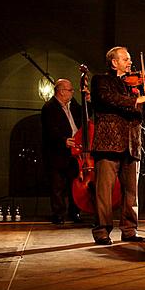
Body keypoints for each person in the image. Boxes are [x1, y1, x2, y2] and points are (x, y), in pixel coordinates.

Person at [89, 47, 145, 245]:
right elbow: (107, 99)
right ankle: (102, 230)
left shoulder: (134, 86)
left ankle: (129, 229)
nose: (130, 63)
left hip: (132, 143)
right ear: (114, 62)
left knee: (131, 192)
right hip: (108, 143)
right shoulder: (101, 81)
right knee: (104, 192)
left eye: (130, 59)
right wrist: (136, 100)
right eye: (125, 59)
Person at [41, 79, 83, 225]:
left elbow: (84, 115)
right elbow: (49, 130)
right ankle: (58, 214)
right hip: (58, 152)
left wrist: (88, 101)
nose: (72, 93)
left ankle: (75, 211)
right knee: (58, 185)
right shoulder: (49, 107)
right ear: (61, 91)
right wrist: (63, 140)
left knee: (74, 184)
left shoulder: (73, 105)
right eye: (70, 90)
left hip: (76, 150)